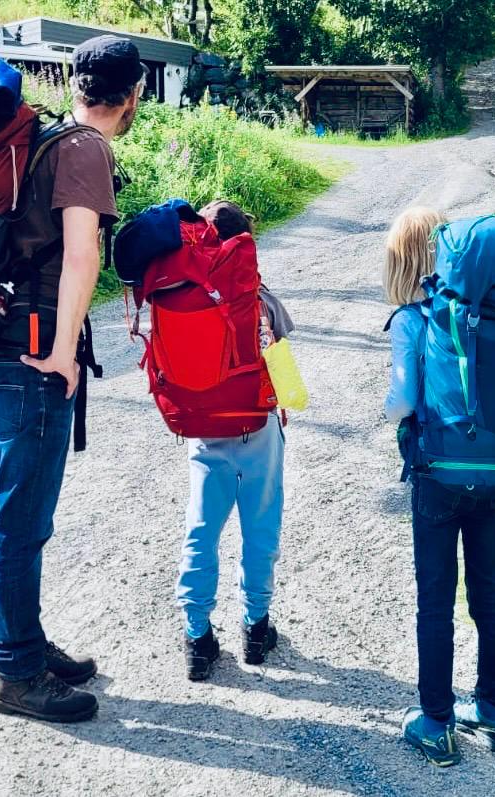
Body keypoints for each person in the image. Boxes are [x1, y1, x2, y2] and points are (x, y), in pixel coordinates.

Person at [0, 35, 145, 722]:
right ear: (133, 96)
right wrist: (62, 351)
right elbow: (81, 257)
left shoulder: (47, 139)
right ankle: (17, 673)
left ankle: (25, 643)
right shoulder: (85, 150)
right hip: (30, 352)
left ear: (76, 85)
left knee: (8, 509)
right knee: (20, 518)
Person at [383, 207, 495, 766]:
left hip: (437, 474)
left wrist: (390, 413)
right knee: (489, 590)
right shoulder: (485, 314)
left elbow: (402, 402)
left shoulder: (412, 320)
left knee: (435, 599)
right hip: (492, 471)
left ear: (400, 261)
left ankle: (436, 724)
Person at [176, 200, 293, 681]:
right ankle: (255, 629)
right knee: (259, 528)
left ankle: (196, 638)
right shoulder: (258, 299)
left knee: (201, 530)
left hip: (204, 431)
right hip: (256, 428)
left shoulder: (183, 296)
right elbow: (285, 376)